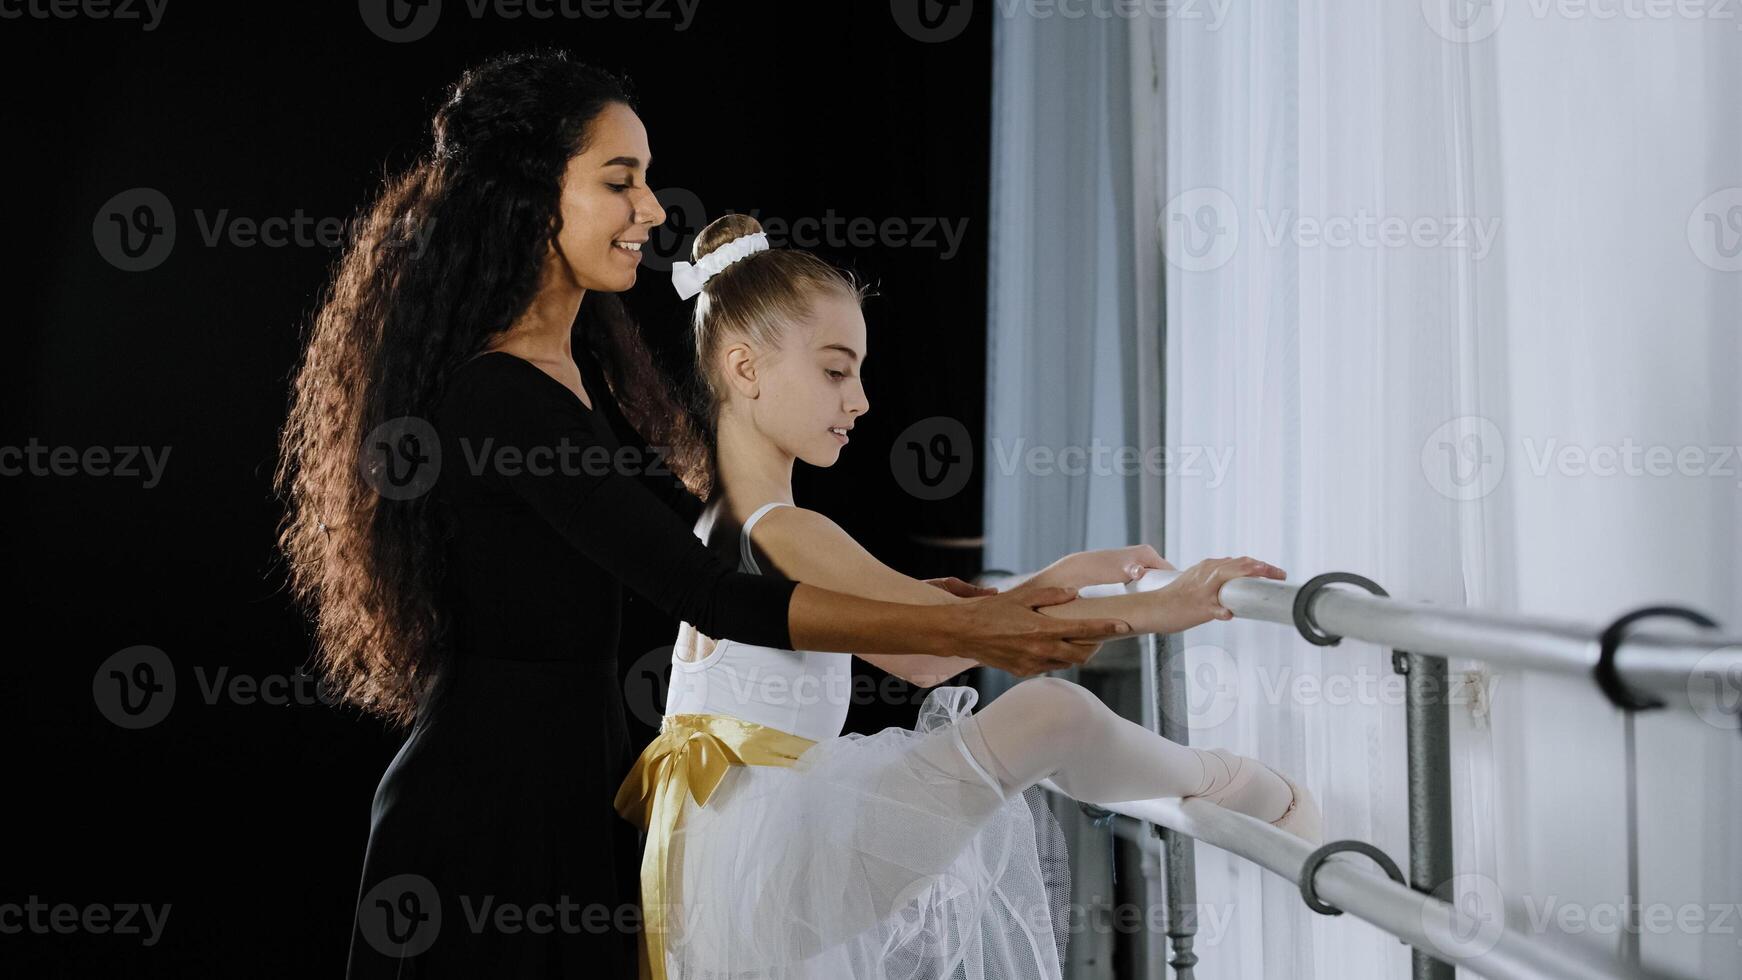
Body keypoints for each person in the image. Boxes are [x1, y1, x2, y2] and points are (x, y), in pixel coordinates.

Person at [273, 51, 1132, 978]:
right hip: (486, 817)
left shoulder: (572, 376)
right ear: (530, 196)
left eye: (644, 179)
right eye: (620, 180)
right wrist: (975, 627)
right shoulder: (499, 398)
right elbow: (712, 594)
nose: (650, 208)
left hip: (565, 795)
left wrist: (982, 613)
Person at [614, 214, 1322, 980]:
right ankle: (1254, 793)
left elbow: (920, 638)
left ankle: (1230, 790)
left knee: (1045, 727)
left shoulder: (727, 520)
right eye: (834, 371)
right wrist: (1169, 606)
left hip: (737, 875)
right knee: (1054, 713)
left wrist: (1058, 577)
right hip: (779, 859)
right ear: (746, 369)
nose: (860, 401)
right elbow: (936, 643)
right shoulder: (782, 529)